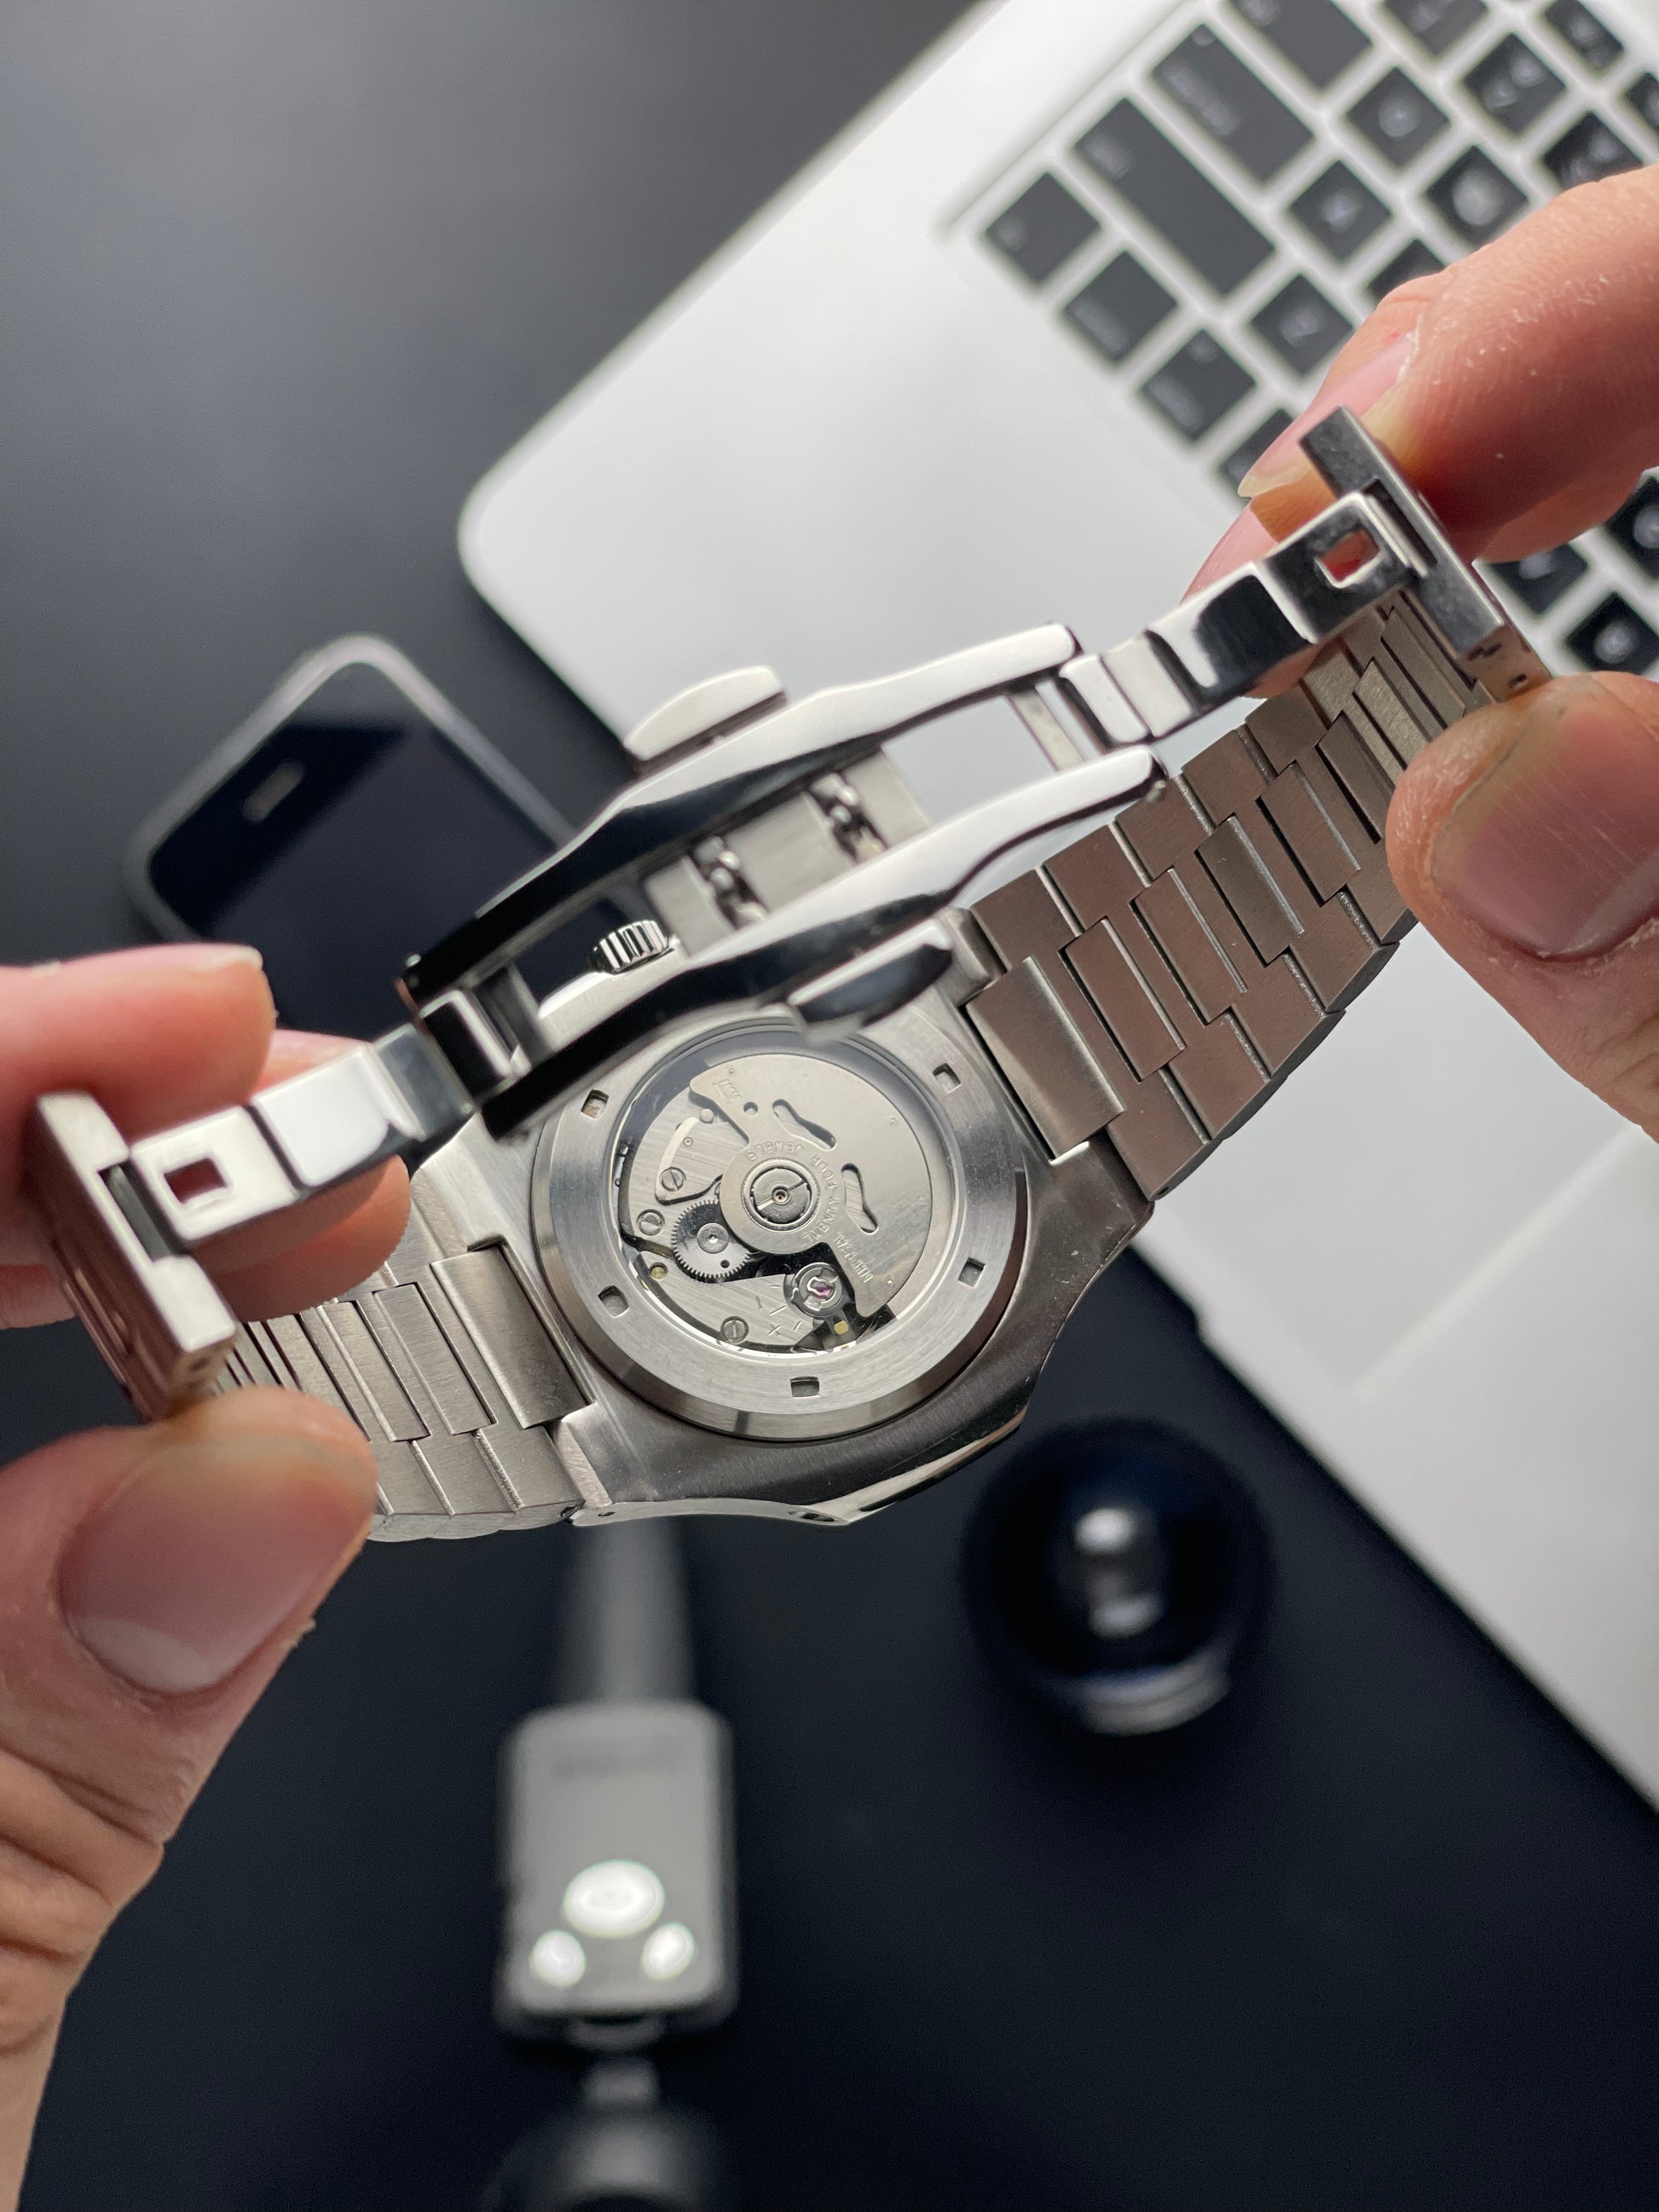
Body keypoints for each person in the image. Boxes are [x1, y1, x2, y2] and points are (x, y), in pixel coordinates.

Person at [1, 169, 1657, 2206]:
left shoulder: (1053, 1060)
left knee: (1185, 918)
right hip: (908, 1136)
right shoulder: (522, 1364)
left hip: (940, 1102)